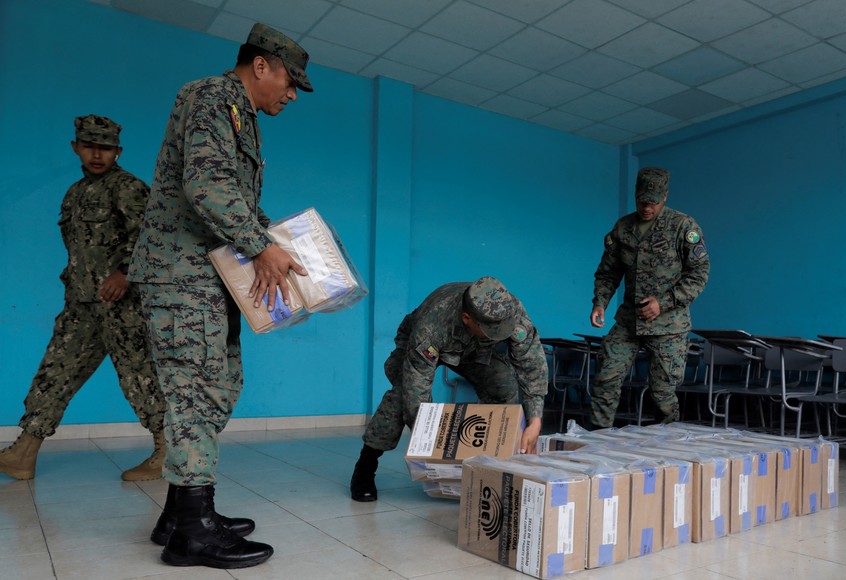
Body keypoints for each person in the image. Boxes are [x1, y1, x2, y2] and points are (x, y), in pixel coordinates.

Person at [127, 23, 313, 569]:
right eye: (290, 80)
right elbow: (203, 185)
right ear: (261, 65)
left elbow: (229, 194)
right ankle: (194, 531)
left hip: (209, 279)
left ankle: (177, 513)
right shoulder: (212, 96)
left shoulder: (242, 116)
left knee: (221, 384)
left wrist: (274, 243)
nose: (292, 93)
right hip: (181, 274)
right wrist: (261, 246)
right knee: (194, 393)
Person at [0, 115, 166, 482]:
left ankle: (167, 451)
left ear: (117, 151)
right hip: (81, 304)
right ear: (76, 147)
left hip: (121, 306)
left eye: (105, 147)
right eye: (89, 145)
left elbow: (152, 236)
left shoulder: (127, 187)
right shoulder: (75, 193)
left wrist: (125, 273)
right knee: (54, 373)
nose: (97, 154)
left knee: (140, 378)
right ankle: (24, 452)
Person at [350, 276, 548, 502]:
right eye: (493, 330)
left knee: (504, 386)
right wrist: (434, 445)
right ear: (467, 319)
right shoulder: (433, 325)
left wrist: (535, 420)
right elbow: (417, 389)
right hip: (424, 346)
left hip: (478, 350)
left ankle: (496, 468)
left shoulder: (509, 311)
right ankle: (366, 466)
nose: (501, 333)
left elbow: (532, 364)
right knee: (401, 397)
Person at [588, 166, 710, 428]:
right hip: (629, 321)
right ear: (635, 195)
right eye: (642, 201)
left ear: (665, 196)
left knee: (662, 394)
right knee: (605, 379)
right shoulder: (624, 227)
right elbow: (608, 272)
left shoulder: (683, 226)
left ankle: (666, 447)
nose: (647, 207)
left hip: (669, 325)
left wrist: (663, 302)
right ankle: (596, 441)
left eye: (653, 202)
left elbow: (699, 273)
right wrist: (600, 302)